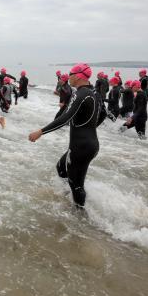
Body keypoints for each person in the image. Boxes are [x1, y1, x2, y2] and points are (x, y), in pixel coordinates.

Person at [28, 63, 103, 207]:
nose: (68, 77)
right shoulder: (92, 92)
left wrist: (41, 132)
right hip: (87, 144)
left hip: (81, 147)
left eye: (71, 74)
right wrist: (89, 129)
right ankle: (69, 198)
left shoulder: (81, 93)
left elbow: (66, 118)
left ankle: (81, 217)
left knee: (77, 185)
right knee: (61, 168)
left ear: (78, 76)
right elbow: (103, 113)